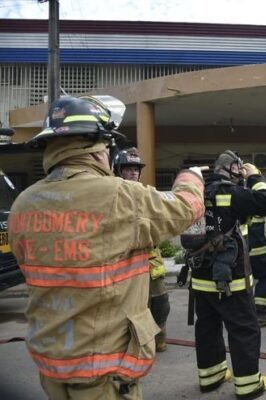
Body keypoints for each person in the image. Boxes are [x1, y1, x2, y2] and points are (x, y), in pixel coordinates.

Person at [8, 95, 205, 399]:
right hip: (102, 375)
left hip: (51, 366)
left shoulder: (23, 204)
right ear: (98, 148)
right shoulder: (120, 196)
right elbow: (184, 209)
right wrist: (190, 177)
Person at [188, 150, 266, 398]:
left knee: (208, 328)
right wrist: (256, 175)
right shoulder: (231, 193)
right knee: (244, 329)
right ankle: (248, 385)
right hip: (231, 281)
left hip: (201, 279)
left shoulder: (198, 192)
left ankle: (211, 378)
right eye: (240, 170)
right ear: (233, 170)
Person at [114, 147, 170, 352]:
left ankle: (159, 337)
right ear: (118, 170)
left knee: (161, 302)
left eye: (136, 169)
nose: (134, 172)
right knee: (132, 305)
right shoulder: (113, 195)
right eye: (128, 168)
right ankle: (133, 342)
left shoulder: (147, 194)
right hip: (125, 260)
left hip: (151, 258)